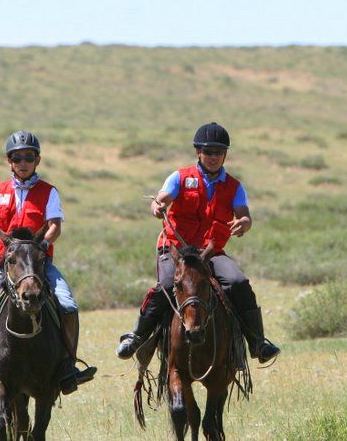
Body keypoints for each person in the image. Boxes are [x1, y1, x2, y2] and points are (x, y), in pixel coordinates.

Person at [116, 122, 280, 363]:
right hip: (176, 249)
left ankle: (257, 342)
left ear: (225, 154)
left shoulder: (234, 186)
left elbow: (244, 213)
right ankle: (137, 336)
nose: (213, 157)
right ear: (198, 152)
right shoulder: (179, 177)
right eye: (208, 152)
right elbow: (161, 199)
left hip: (210, 252)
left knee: (238, 282)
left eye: (219, 152)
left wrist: (244, 222)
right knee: (165, 283)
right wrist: (157, 206)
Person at [0, 130, 96, 395]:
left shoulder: (48, 192)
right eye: (17, 158)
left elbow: (55, 226)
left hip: (38, 264)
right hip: (3, 265)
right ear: (9, 161)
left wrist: (42, 245)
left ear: (37, 160)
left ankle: (68, 365)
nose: (23, 162)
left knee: (68, 304)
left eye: (29, 157)